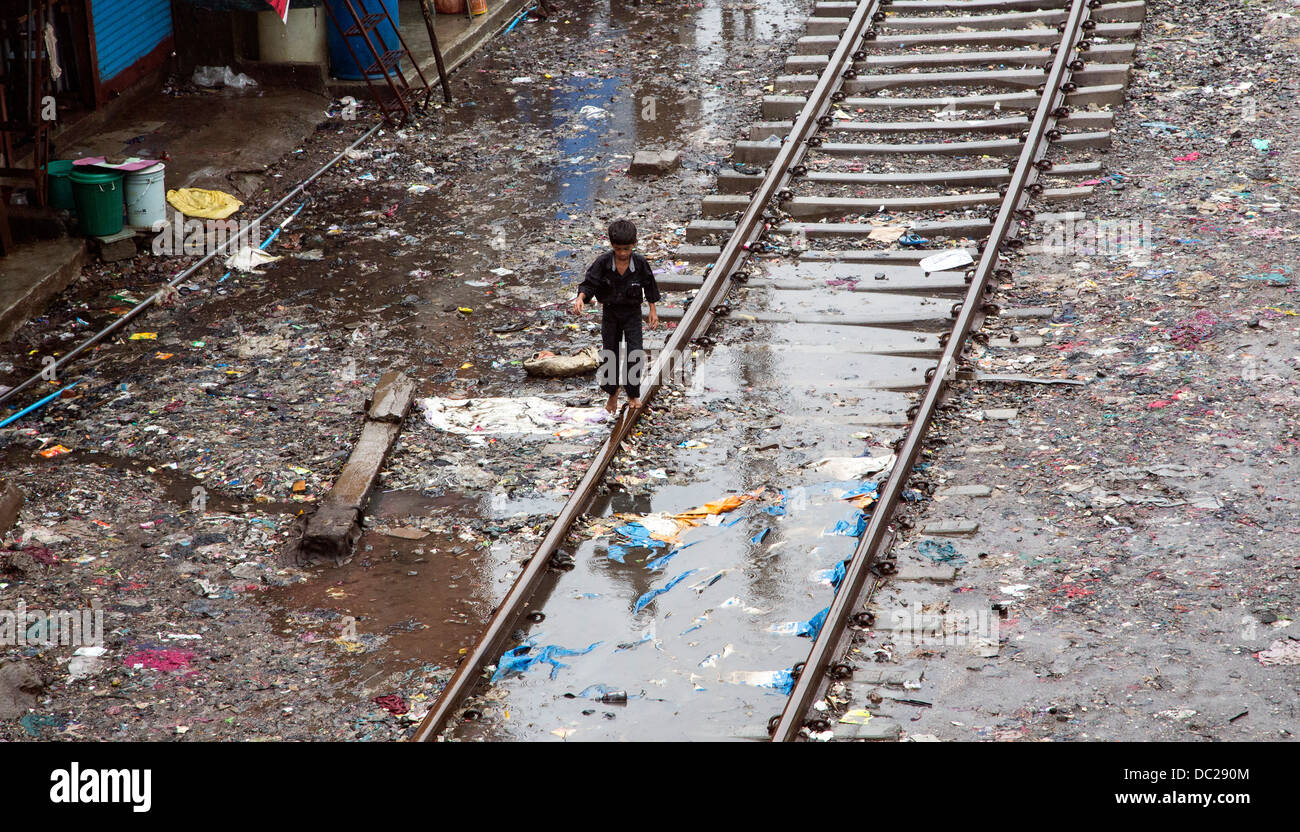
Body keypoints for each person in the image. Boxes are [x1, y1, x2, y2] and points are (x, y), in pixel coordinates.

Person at [571, 219, 661, 413]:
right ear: (612, 246)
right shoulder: (603, 262)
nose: (622, 253)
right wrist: (580, 298)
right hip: (610, 313)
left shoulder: (640, 263)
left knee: (634, 352)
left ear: (634, 244)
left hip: (632, 313)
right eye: (618, 249)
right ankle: (612, 393)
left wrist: (652, 310)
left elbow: (649, 285)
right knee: (609, 353)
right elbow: (589, 283)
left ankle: (632, 394)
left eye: (626, 249)